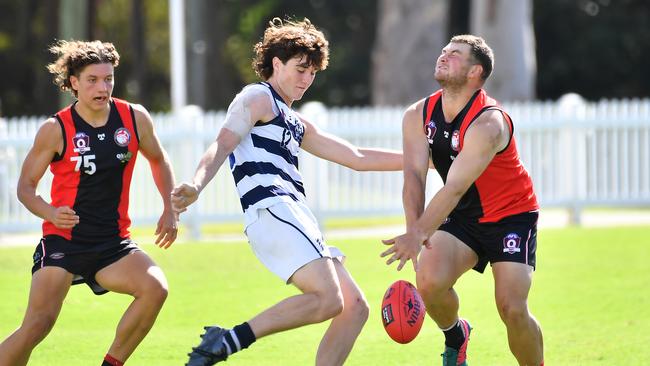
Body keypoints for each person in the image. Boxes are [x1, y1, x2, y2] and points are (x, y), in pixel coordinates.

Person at [171, 17, 402, 366]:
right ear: (276, 64)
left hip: (293, 215)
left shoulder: (294, 119)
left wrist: (424, 160)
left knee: (354, 309)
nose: (306, 79)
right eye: (300, 69)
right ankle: (228, 339)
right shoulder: (257, 97)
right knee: (329, 300)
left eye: (312, 72)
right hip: (274, 209)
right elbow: (221, 144)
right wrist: (197, 184)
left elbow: (357, 157)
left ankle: (229, 339)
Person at [0, 40, 178, 366]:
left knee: (156, 288)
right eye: (93, 80)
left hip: (113, 243)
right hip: (64, 241)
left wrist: (170, 208)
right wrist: (51, 212)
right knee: (36, 326)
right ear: (74, 83)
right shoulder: (55, 129)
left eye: (108, 79)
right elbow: (25, 187)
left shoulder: (133, 118)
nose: (103, 87)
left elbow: (159, 160)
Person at [381, 35, 544, 366]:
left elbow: (454, 186)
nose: (443, 56)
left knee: (511, 308)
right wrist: (415, 230)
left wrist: (419, 234)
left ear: (475, 72)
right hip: (463, 216)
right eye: (443, 51)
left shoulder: (489, 122)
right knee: (428, 281)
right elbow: (413, 175)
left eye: (455, 54)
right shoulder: (417, 114)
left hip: (511, 215)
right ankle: (457, 335)